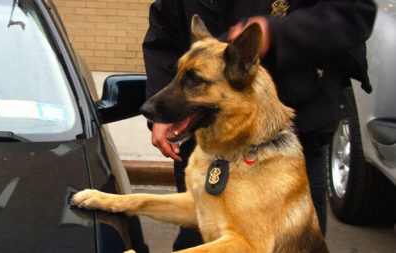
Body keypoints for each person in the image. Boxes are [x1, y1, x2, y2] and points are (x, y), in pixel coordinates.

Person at [142, 0, 376, 250]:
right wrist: (164, 109)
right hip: (206, 132)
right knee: (197, 240)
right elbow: (164, 33)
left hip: (295, 132)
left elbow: (354, 13)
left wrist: (277, 33)